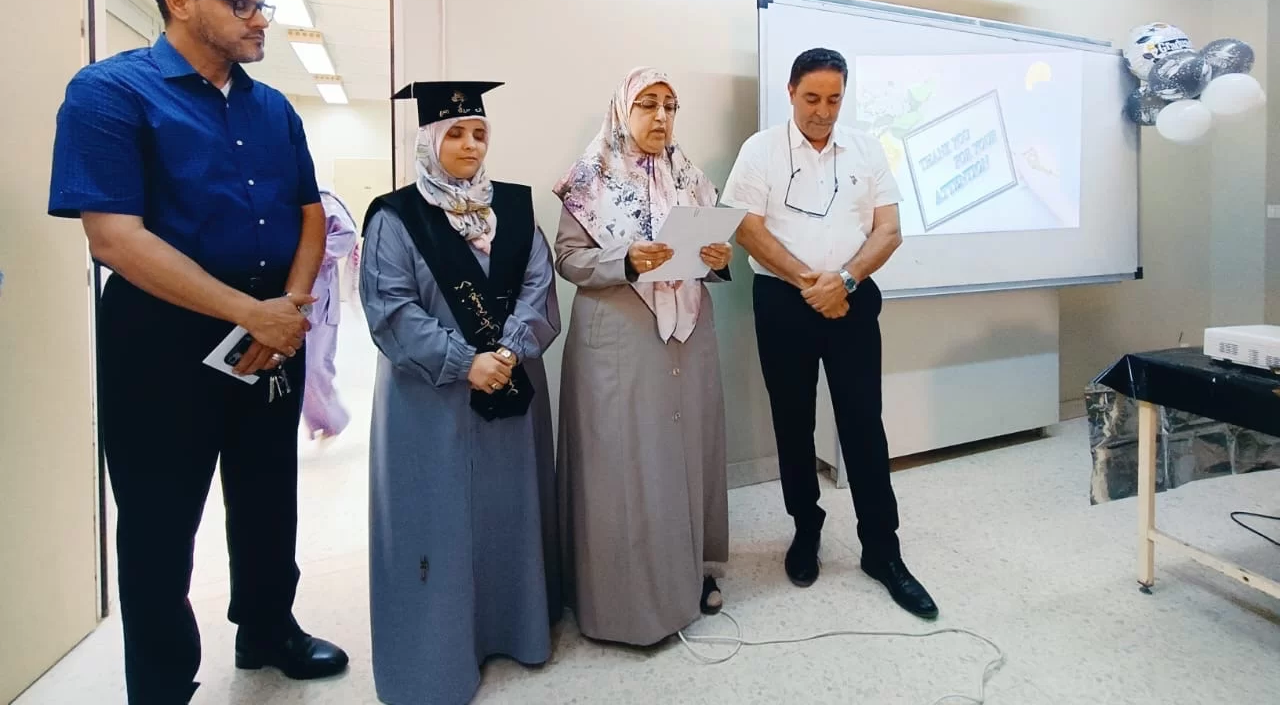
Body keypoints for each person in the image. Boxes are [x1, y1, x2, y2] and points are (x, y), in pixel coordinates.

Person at [47, 0, 348, 704]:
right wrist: (252, 313)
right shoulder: (111, 92)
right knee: (158, 520)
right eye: (241, 4)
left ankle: (268, 629)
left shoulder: (271, 107)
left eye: (263, 6)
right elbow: (114, 237)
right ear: (179, 1)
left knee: (268, 494)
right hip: (161, 336)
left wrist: (288, 311)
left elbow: (310, 214)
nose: (260, 20)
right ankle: (161, 682)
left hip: (271, 327)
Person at [360, 81, 561, 705]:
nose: (471, 145)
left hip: (510, 383)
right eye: (455, 133)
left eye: (479, 133)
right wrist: (462, 361)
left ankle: (515, 629)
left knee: (508, 511)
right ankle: (438, 657)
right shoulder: (395, 218)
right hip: (431, 399)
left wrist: (509, 351)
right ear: (428, 141)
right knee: (438, 519)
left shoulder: (515, 209)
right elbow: (391, 307)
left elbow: (538, 286)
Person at [721, 47, 938, 620]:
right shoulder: (760, 150)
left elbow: (889, 230)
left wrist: (843, 280)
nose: (823, 111)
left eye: (834, 99)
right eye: (812, 98)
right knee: (792, 422)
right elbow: (746, 228)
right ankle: (806, 528)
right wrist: (807, 282)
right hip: (782, 300)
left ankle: (882, 550)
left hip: (852, 298)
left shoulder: (866, 148)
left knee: (864, 424)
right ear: (791, 92)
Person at [553, 66, 732, 646]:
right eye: (648, 104)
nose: (661, 116)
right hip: (619, 336)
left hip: (688, 334)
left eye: (670, 106)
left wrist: (718, 259)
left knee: (686, 450)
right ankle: (619, 598)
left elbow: (709, 256)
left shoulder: (689, 176)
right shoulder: (590, 178)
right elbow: (567, 258)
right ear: (622, 110)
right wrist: (625, 260)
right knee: (625, 461)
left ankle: (692, 571)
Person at [300, 188, 359, 440]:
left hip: (318, 297)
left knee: (315, 365)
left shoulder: (322, 200)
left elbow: (346, 235)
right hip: (284, 295)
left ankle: (332, 419)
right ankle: (318, 421)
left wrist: (310, 255)